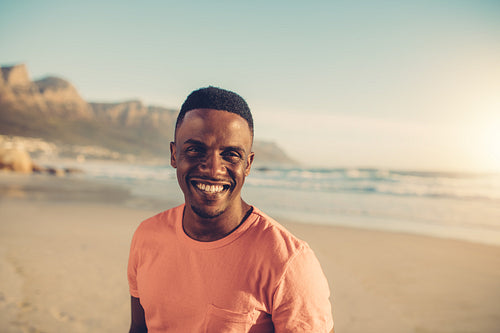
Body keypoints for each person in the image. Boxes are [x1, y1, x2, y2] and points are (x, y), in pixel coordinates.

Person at [127, 87, 334, 332]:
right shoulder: (147, 235)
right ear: (174, 154)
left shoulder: (289, 261)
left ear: (248, 164)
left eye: (231, 155)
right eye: (195, 149)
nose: (213, 169)